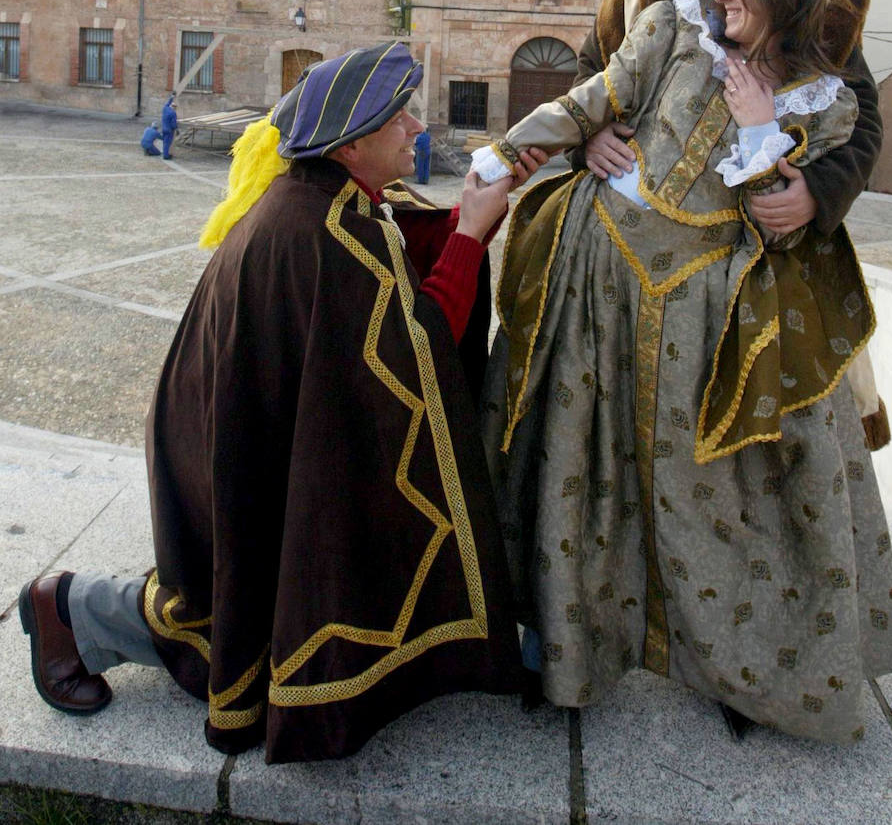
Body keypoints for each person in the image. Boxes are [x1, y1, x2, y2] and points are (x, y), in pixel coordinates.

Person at [19, 42, 547, 763]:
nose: (418, 130)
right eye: (402, 119)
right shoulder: (321, 230)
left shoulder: (328, 194)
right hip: (232, 439)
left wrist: (465, 216)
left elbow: (394, 257)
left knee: (276, 576)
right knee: (237, 600)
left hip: (240, 423)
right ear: (354, 142)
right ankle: (69, 606)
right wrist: (471, 233)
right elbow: (409, 349)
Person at [471, 0, 892, 745]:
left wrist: (768, 141)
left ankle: (740, 663)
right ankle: (560, 642)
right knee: (575, 454)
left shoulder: (824, 88)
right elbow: (596, 92)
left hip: (714, 304)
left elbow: (782, 204)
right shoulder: (671, 24)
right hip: (600, 281)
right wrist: (523, 149)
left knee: (720, 491)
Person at [579, 0, 889, 447]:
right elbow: (589, 75)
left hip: (766, 251)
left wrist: (817, 194)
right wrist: (589, 135)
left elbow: (862, 116)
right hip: (647, 263)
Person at [161, 95, 178, 160]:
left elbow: (168, 103)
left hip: (163, 128)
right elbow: (173, 124)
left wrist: (172, 97)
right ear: (174, 107)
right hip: (169, 130)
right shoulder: (173, 113)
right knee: (167, 143)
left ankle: (165, 154)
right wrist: (176, 128)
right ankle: (166, 156)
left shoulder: (165, 108)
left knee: (165, 142)